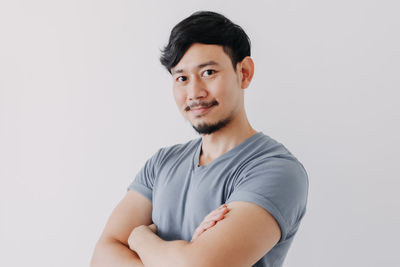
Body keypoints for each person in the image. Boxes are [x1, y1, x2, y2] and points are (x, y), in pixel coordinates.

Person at [91, 11, 308, 267]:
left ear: (245, 72)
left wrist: (139, 238)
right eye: (182, 78)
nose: (194, 92)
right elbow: (102, 257)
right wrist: (183, 255)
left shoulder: (275, 170)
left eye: (208, 72)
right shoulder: (161, 164)